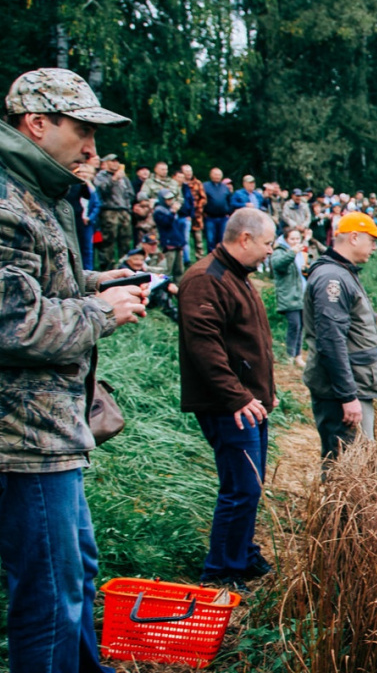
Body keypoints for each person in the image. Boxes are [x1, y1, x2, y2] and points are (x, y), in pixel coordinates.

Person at [0, 67, 146, 673]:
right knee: (48, 601)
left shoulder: (30, 186)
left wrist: (100, 281)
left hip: (47, 427)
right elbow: (6, 324)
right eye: (82, 130)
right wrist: (100, 310)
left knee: (77, 575)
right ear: (36, 123)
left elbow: (32, 281)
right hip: (16, 435)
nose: (94, 149)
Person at [177, 208, 277, 591]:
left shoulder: (238, 276)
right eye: (267, 243)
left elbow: (249, 344)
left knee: (251, 483)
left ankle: (243, 554)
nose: (271, 250)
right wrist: (237, 398)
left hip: (249, 403)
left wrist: (266, 393)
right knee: (240, 488)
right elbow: (205, 349)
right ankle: (221, 570)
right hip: (227, 407)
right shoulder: (206, 279)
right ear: (245, 239)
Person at [303, 212, 377, 462]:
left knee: (355, 462)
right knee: (345, 464)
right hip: (343, 391)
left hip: (352, 385)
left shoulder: (341, 272)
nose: (374, 246)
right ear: (354, 237)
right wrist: (348, 396)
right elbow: (330, 341)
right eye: (372, 240)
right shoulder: (333, 277)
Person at [271, 225, 309, 366]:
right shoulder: (280, 251)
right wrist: (292, 252)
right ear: (286, 239)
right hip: (289, 294)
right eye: (292, 238)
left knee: (301, 326)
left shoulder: (299, 252)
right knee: (294, 324)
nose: (295, 241)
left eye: (297, 238)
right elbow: (278, 264)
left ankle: (297, 355)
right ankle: (289, 355)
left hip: (301, 294)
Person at [94, 154, 135, 267]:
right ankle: (107, 267)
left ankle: (125, 266)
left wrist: (127, 204)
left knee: (126, 241)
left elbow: (131, 193)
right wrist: (114, 179)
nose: (115, 163)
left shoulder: (124, 178)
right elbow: (101, 190)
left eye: (117, 161)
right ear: (105, 163)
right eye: (112, 161)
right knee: (108, 242)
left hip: (124, 211)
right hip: (109, 211)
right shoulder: (101, 176)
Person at [66, 156, 101, 271]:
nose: (82, 174)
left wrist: (85, 184)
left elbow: (91, 198)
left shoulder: (84, 185)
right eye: (80, 172)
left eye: (85, 172)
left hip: (83, 220)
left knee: (86, 248)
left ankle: (87, 271)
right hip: (70, 219)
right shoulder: (69, 184)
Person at [152, 188, 189, 280]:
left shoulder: (171, 210)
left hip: (177, 243)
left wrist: (182, 242)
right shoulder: (158, 211)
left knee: (179, 270)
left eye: (171, 198)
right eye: (168, 199)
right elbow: (165, 224)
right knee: (167, 270)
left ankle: (178, 289)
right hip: (169, 244)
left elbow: (177, 227)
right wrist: (173, 212)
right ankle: (164, 291)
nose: (170, 201)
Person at [201, 167, 232, 253]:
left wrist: (229, 212)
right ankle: (210, 259)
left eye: (219, 175)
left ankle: (221, 258)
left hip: (223, 218)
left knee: (222, 239)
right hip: (210, 217)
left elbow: (229, 200)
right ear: (211, 175)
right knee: (210, 239)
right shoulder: (205, 186)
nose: (217, 176)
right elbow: (201, 200)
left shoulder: (225, 187)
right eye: (215, 174)